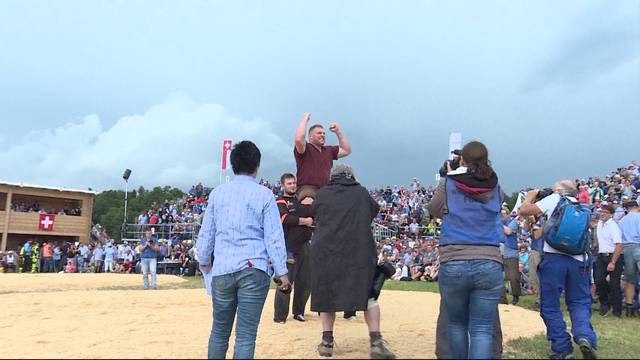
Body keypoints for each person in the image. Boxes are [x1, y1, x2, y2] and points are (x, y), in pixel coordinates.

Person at [196, 140, 289, 360]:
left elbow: (206, 234)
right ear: (257, 166)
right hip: (253, 268)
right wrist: (281, 271)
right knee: (246, 337)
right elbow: (273, 237)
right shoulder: (265, 195)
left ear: (233, 165)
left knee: (219, 332)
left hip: (223, 268)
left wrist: (205, 263)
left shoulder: (217, 194)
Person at [427, 141, 504, 359]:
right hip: (488, 258)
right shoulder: (495, 184)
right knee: (481, 329)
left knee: (456, 324)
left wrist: (448, 176)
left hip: (455, 257)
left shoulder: (448, 183)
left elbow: (434, 209)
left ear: (462, 160)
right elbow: (496, 207)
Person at [310, 164, 395, 359]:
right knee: (369, 296)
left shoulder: (323, 193)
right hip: (357, 252)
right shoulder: (361, 193)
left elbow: (313, 212)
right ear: (351, 176)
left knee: (326, 296)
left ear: (333, 177)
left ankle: (327, 342)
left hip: (326, 252)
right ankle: (375, 342)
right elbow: (373, 210)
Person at [519, 180, 597, 359]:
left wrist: (531, 195)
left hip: (554, 259)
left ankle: (561, 347)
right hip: (579, 261)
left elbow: (524, 211)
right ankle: (584, 335)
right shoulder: (583, 208)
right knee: (579, 302)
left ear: (560, 191)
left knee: (550, 304)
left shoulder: (555, 199)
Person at [273, 173, 313, 324]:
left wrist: (304, 219)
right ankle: (280, 316)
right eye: (289, 183)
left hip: (305, 244)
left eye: (294, 183)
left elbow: (312, 216)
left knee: (305, 281)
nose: (292, 185)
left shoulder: (301, 200)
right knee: (285, 281)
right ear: (283, 185)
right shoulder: (279, 200)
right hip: (288, 246)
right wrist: (305, 221)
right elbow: (284, 218)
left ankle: (299, 312)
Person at [293, 112, 351, 199]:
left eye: (324, 133)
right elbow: (298, 139)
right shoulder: (305, 148)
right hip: (308, 189)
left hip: (326, 190)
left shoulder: (328, 150)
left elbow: (346, 150)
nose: (322, 135)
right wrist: (305, 119)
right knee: (309, 204)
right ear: (310, 136)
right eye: (319, 133)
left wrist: (338, 132)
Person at [594, 204, 623, 317]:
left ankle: (617, 310)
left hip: (613, 255)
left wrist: (613, 262)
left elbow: (619, 244)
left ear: (611, 214)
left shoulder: (613, 226)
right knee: (598, 280)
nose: (602, 214)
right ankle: (604, 303)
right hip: (602, 255)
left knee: (614, 284)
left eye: (605, 212)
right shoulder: (600, 224)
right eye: (601, 212)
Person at [618, 201, 640, 316]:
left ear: (626, 208)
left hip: (626, 249)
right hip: (638, 246)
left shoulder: (622, 220)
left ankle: (629, 306)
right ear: (637, 207)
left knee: (630, 279)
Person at [501, 211, 522, 305]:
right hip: (499, 252)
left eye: (504, 213)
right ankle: (502, 298)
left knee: (513, 277)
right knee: (498, 277)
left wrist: (496, 223)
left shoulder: (513, 222)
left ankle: (515, 296)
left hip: (511, 253)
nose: (502, 215)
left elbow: (508, 231)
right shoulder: (498, 222)